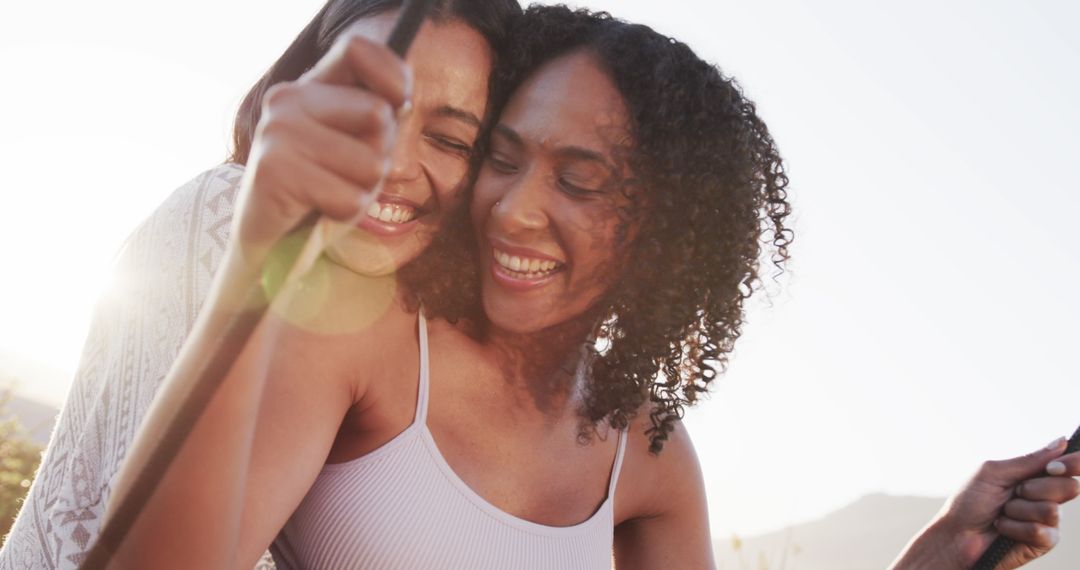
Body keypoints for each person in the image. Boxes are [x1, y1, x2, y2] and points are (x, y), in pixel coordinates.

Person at [5, 3, 1077, 570]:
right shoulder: (369, 335)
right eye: (502, 155)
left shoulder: (648, 453)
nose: (514, 207)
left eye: (580, 178)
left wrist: (938, 556)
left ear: (664, 233)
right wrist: (257, 254)